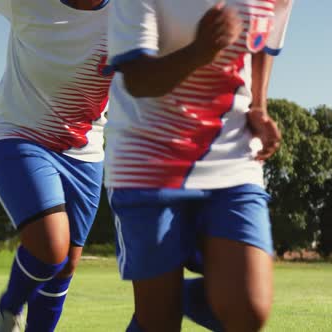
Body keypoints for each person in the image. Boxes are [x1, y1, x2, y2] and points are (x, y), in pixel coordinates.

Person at [105, 0, 293, 331]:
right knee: (159, 322)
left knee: (248, 309)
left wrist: (259, 105)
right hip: (148, 158)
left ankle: (177, 296)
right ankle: (166, 301)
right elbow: (138, 80)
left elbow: (265, 35)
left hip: (232, 154)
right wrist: (199, 52)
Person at [0, 1, 112, 331]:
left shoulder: (134, 11)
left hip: (85, 151)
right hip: (18, 133)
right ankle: (10, 309)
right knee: (51, 246)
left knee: (67, 263)